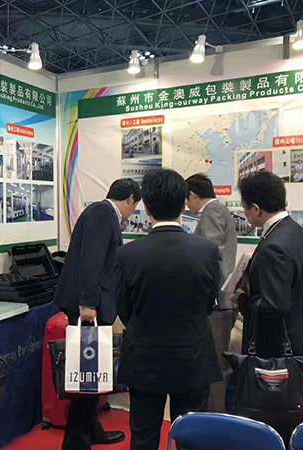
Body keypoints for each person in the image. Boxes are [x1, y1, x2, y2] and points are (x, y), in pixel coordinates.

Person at [116, 169, 222, 450]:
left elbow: (124, 308)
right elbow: (209, 304)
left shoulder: (128, 254)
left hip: (144, 359)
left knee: (143, 438)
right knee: (191, 440)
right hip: (192, 357)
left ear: (147, 208)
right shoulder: (207, 252)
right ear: (184, 205)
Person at [231, 171, 303, 444]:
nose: (245, 213)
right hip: (300, 345)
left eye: (245, 208)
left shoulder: (275, 245)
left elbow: (274, 305)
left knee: (275, 424)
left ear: (256, 208)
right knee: (294, 421)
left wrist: (243, 301)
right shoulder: (295, 232)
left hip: (280, 353)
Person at [54, 178, 141, 450]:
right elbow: (90, 261)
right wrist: (87, 304)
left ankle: (91, 430)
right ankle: (76, 442)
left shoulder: (102, 213)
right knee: (86, 375)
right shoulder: (102, 214)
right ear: (130, 199)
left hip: (93, 304)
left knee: (93, 373)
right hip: (88, 309)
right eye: (134, 207)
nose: (132, 214)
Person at [185, 173, 238, 413]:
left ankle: (215, 418)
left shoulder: (212, 211)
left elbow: (208, 253)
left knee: (215, 364)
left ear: (193, 195)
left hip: (215, 301)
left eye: (187, 200)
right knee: (216, 361)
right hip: (220, 300)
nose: (187, 207)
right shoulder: (219, 210)